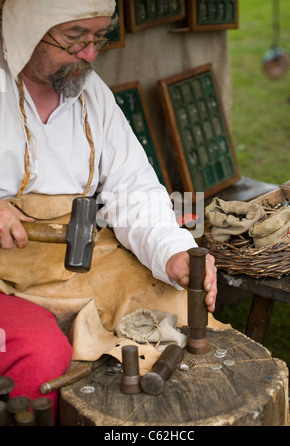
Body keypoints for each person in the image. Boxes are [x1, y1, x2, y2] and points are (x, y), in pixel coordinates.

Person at [0, 0, 217, 421]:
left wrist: (171, 249)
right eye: (75, 38)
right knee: (38, 355)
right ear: (27, 28)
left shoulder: (91, 94)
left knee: (178, 314)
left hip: (80, 264)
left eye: (97, 38)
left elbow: (133, 189)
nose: (90, 54)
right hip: (5, 277)